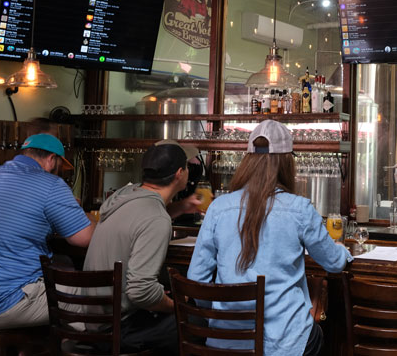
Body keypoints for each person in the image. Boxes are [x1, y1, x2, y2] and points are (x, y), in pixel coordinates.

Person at [188, 120, 351, 355]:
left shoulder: (218, 208)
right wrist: (342, 249)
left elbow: (196, 279)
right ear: (287, 163)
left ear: (247, 161)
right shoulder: (299, 209)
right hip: (286, 343)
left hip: (227, 343)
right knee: (321, 334)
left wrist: (219, 319)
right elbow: (334, 263)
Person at [83, 141, 199, 354]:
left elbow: (143, 218)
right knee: (196, 320)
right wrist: (176, 305)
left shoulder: (124, 196)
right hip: (118, 329)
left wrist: (181, 207)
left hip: (94, 321)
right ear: (179, 173)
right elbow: (141, 292)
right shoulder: (156, 218)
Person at [0, 134, 93, 329]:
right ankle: (76, 345)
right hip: (6, 301)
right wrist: (86, 217)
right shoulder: (51, 184)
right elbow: (84, 238)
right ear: (51, 159)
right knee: (92, 296)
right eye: (60, 167)